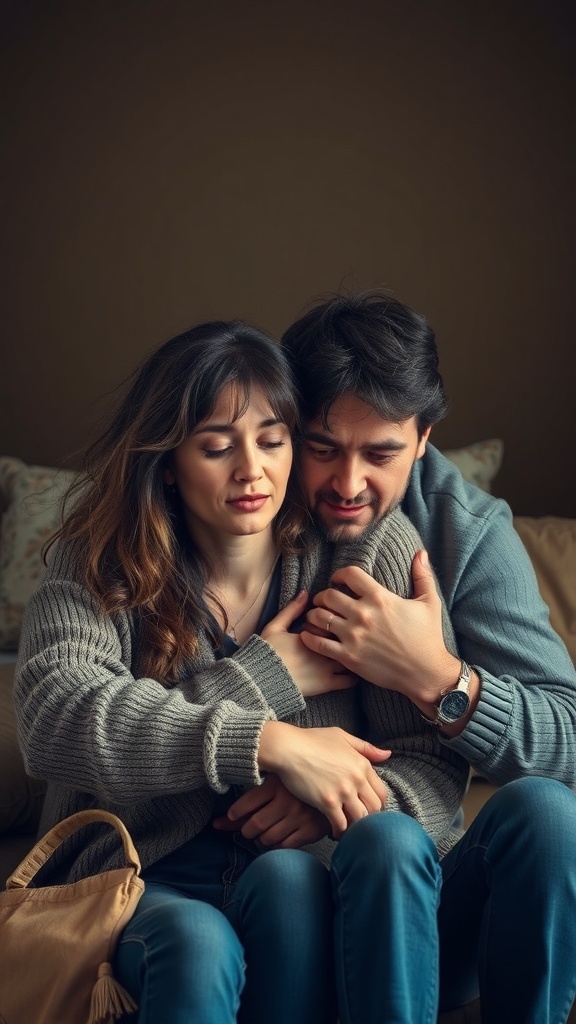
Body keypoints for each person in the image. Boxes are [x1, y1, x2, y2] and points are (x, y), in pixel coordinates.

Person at [14, 318, 470, 1024]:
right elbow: (56, 718)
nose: (251, 470)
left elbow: (427, 761)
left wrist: (330, 799)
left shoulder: (361, 551)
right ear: (169, 460)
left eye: (273, 440)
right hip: (139, 878)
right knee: (196, 944)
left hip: (289, 870)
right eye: (217, 446)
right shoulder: (100, 560)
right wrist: (268, 729)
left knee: (291, 885)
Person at [251, 290, 575, 1024]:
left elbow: (570, 743)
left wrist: (434, 676)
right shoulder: (240, 504)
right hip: (274, 898)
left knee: (548, 814)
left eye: (381, 453)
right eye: (321, 447)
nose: (348, 484)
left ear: (425, 438)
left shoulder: (467, 532)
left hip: (421, 897)